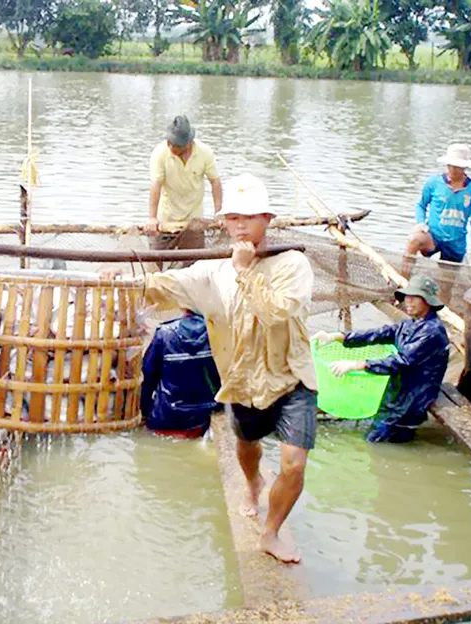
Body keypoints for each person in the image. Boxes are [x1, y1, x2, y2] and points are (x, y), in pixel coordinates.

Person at [114, 173, 315, 563]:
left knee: (294, 462)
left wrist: (243, 272)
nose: (239, 226)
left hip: (292, 377)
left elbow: (277, 312)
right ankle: (253, 482)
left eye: (249, 217)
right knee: (247, 446)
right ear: (224, 223)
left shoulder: (293, 265)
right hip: (241, 380)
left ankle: (271, 532)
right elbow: (167, 284)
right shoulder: (213, 273)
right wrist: (126, 282)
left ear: (267, 219)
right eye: (232, 218)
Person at [312, 275, 450, 444]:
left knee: (376, 443)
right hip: (398, 393)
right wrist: (337, 336)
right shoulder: (412, 324)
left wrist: (357, 365)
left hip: (412, 400)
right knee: (376, 436)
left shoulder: (431, 332)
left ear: (428, 302)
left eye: (414, 298)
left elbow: (401, 361)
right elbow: (380, 334)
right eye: (407, 297)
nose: (408, 301)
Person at [146, 115, 223, 266]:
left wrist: (219, 213)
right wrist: (152, 218)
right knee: (153, 265)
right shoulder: (160, 154)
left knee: (194, 268)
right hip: (166, 220)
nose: (171, 147)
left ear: (188, 143)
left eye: (176, 145)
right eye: (169, 142)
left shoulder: (204, 153)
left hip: (194, 221)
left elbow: (215, 182)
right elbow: (156, 185)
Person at [403, 143, 471, 275]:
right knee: (414, 239)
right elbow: (421, 205)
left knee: (446, 286)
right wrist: (420, 222)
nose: (453, 170)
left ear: (465, 167)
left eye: (457, 167)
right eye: (450, 165)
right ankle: (403, 283)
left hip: (455, 243)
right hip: (434, 236)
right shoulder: (433, 183)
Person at [140, 310, 221, 438]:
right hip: (204, 419)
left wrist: (145, 411)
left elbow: (148, 375)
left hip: (166, 417)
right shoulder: (216, 333)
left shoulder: (164, 333)